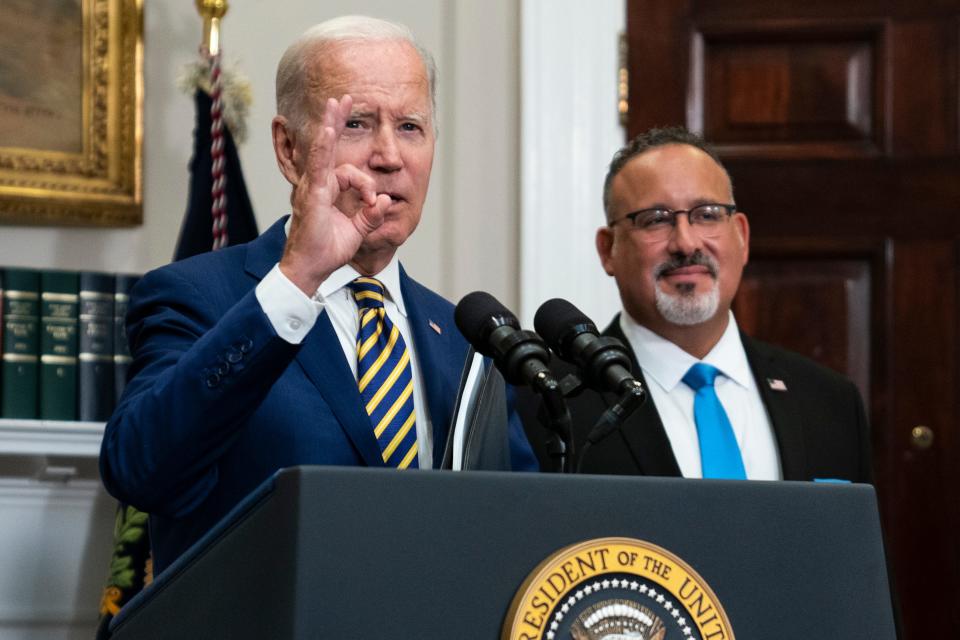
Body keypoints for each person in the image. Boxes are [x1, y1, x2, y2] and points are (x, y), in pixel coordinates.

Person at [99, 15, 537, 575]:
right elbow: (141, 470)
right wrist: (296, 280)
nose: (389, 156)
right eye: (356, 123)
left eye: (410, 127)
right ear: (289, 148)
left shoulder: (467, 336)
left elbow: (520, 528)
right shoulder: (196, 298)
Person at [521, 126, 871, 482]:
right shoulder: (545, 404)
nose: (686, 243)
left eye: (707, 214)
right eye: (655, 219)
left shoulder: (830, 402)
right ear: (608, 249)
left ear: (742, 236)